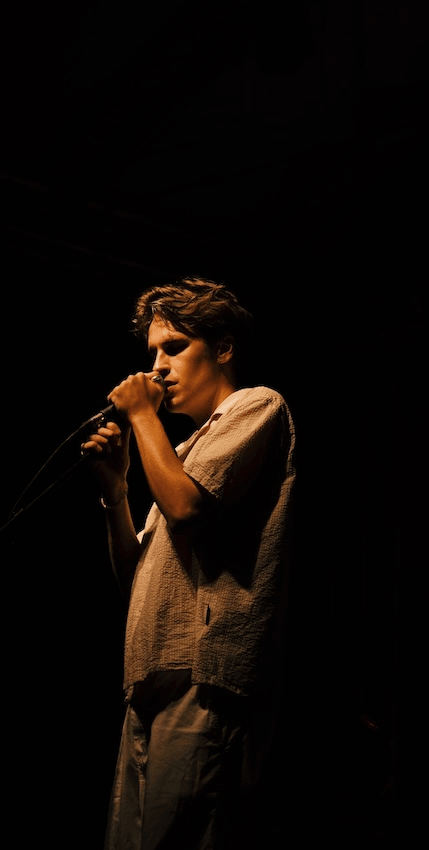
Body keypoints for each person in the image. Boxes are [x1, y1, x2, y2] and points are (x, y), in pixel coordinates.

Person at [82, 278, 296, 850]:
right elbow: (136, 573)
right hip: (148, 672)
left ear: (222, 348)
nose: (157, 369)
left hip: (204, 676)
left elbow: (185, 508)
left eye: (173, 347)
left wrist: (142, 418)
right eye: (152, 352)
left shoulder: (257, 405)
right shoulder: (176, 454)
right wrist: (115, 491)